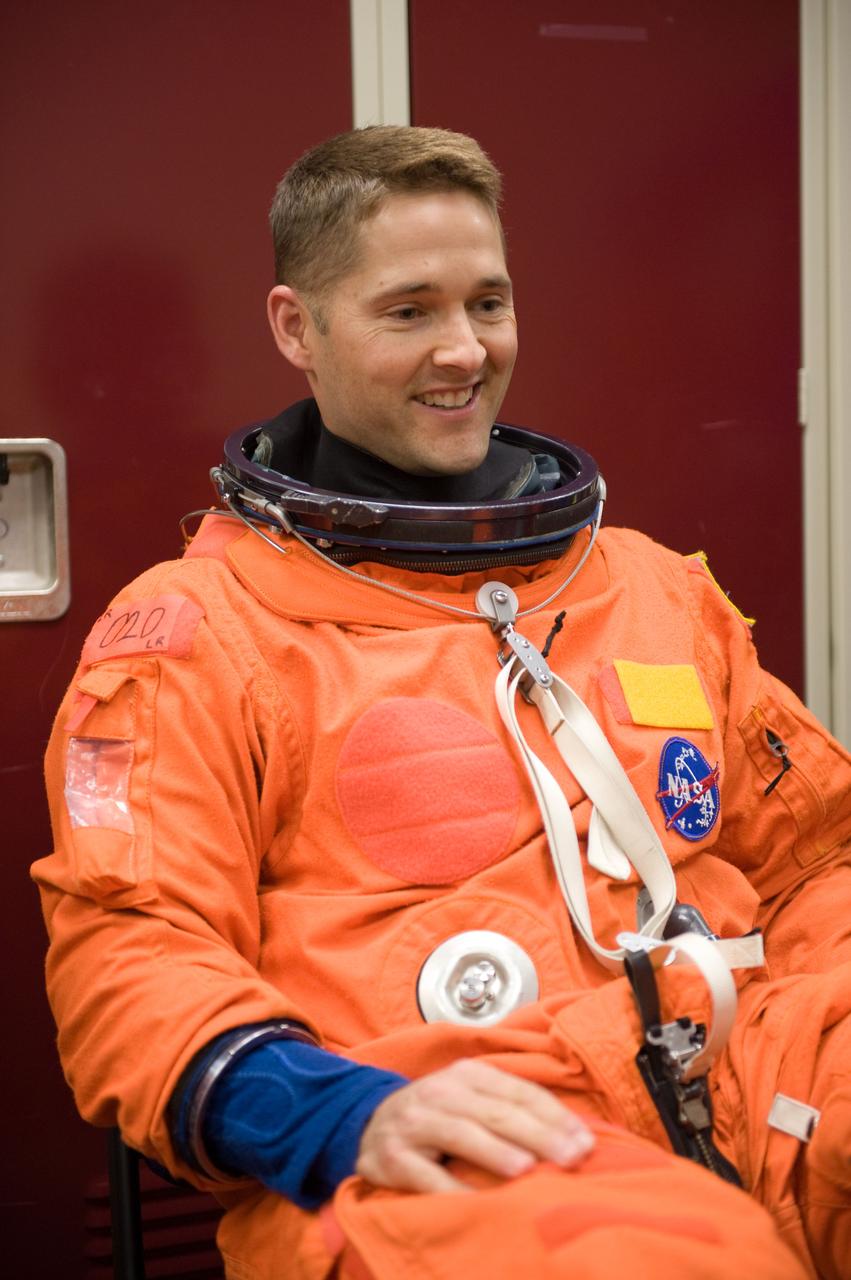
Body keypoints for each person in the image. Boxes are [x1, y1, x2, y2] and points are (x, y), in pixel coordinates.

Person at [33, 126, 851, 1280]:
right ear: (294, 328)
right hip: (441, 1128)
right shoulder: (197, 633)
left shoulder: (651, 585)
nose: (464, 350)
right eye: (408, 310)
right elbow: (133, 944)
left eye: (488, 302)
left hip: (744, 1066)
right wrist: (331, 1113)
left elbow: (818, 853)